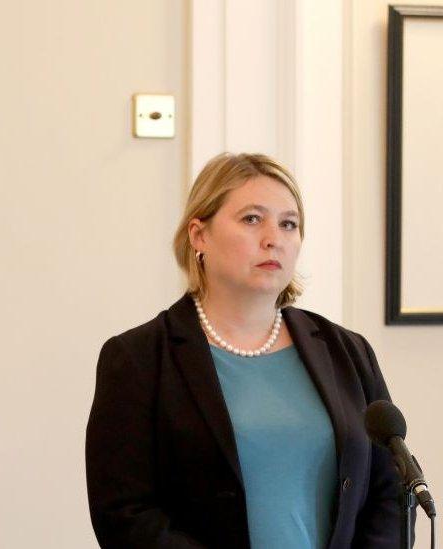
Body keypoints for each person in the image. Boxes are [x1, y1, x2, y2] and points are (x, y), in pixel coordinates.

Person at [85, 153, 401, 548]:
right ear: (199, 235)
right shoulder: (139, 358)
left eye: (289, 224)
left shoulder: (347, 351)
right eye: (252, 219)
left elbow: (389, 493)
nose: (274, 238)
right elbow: (124, 513)